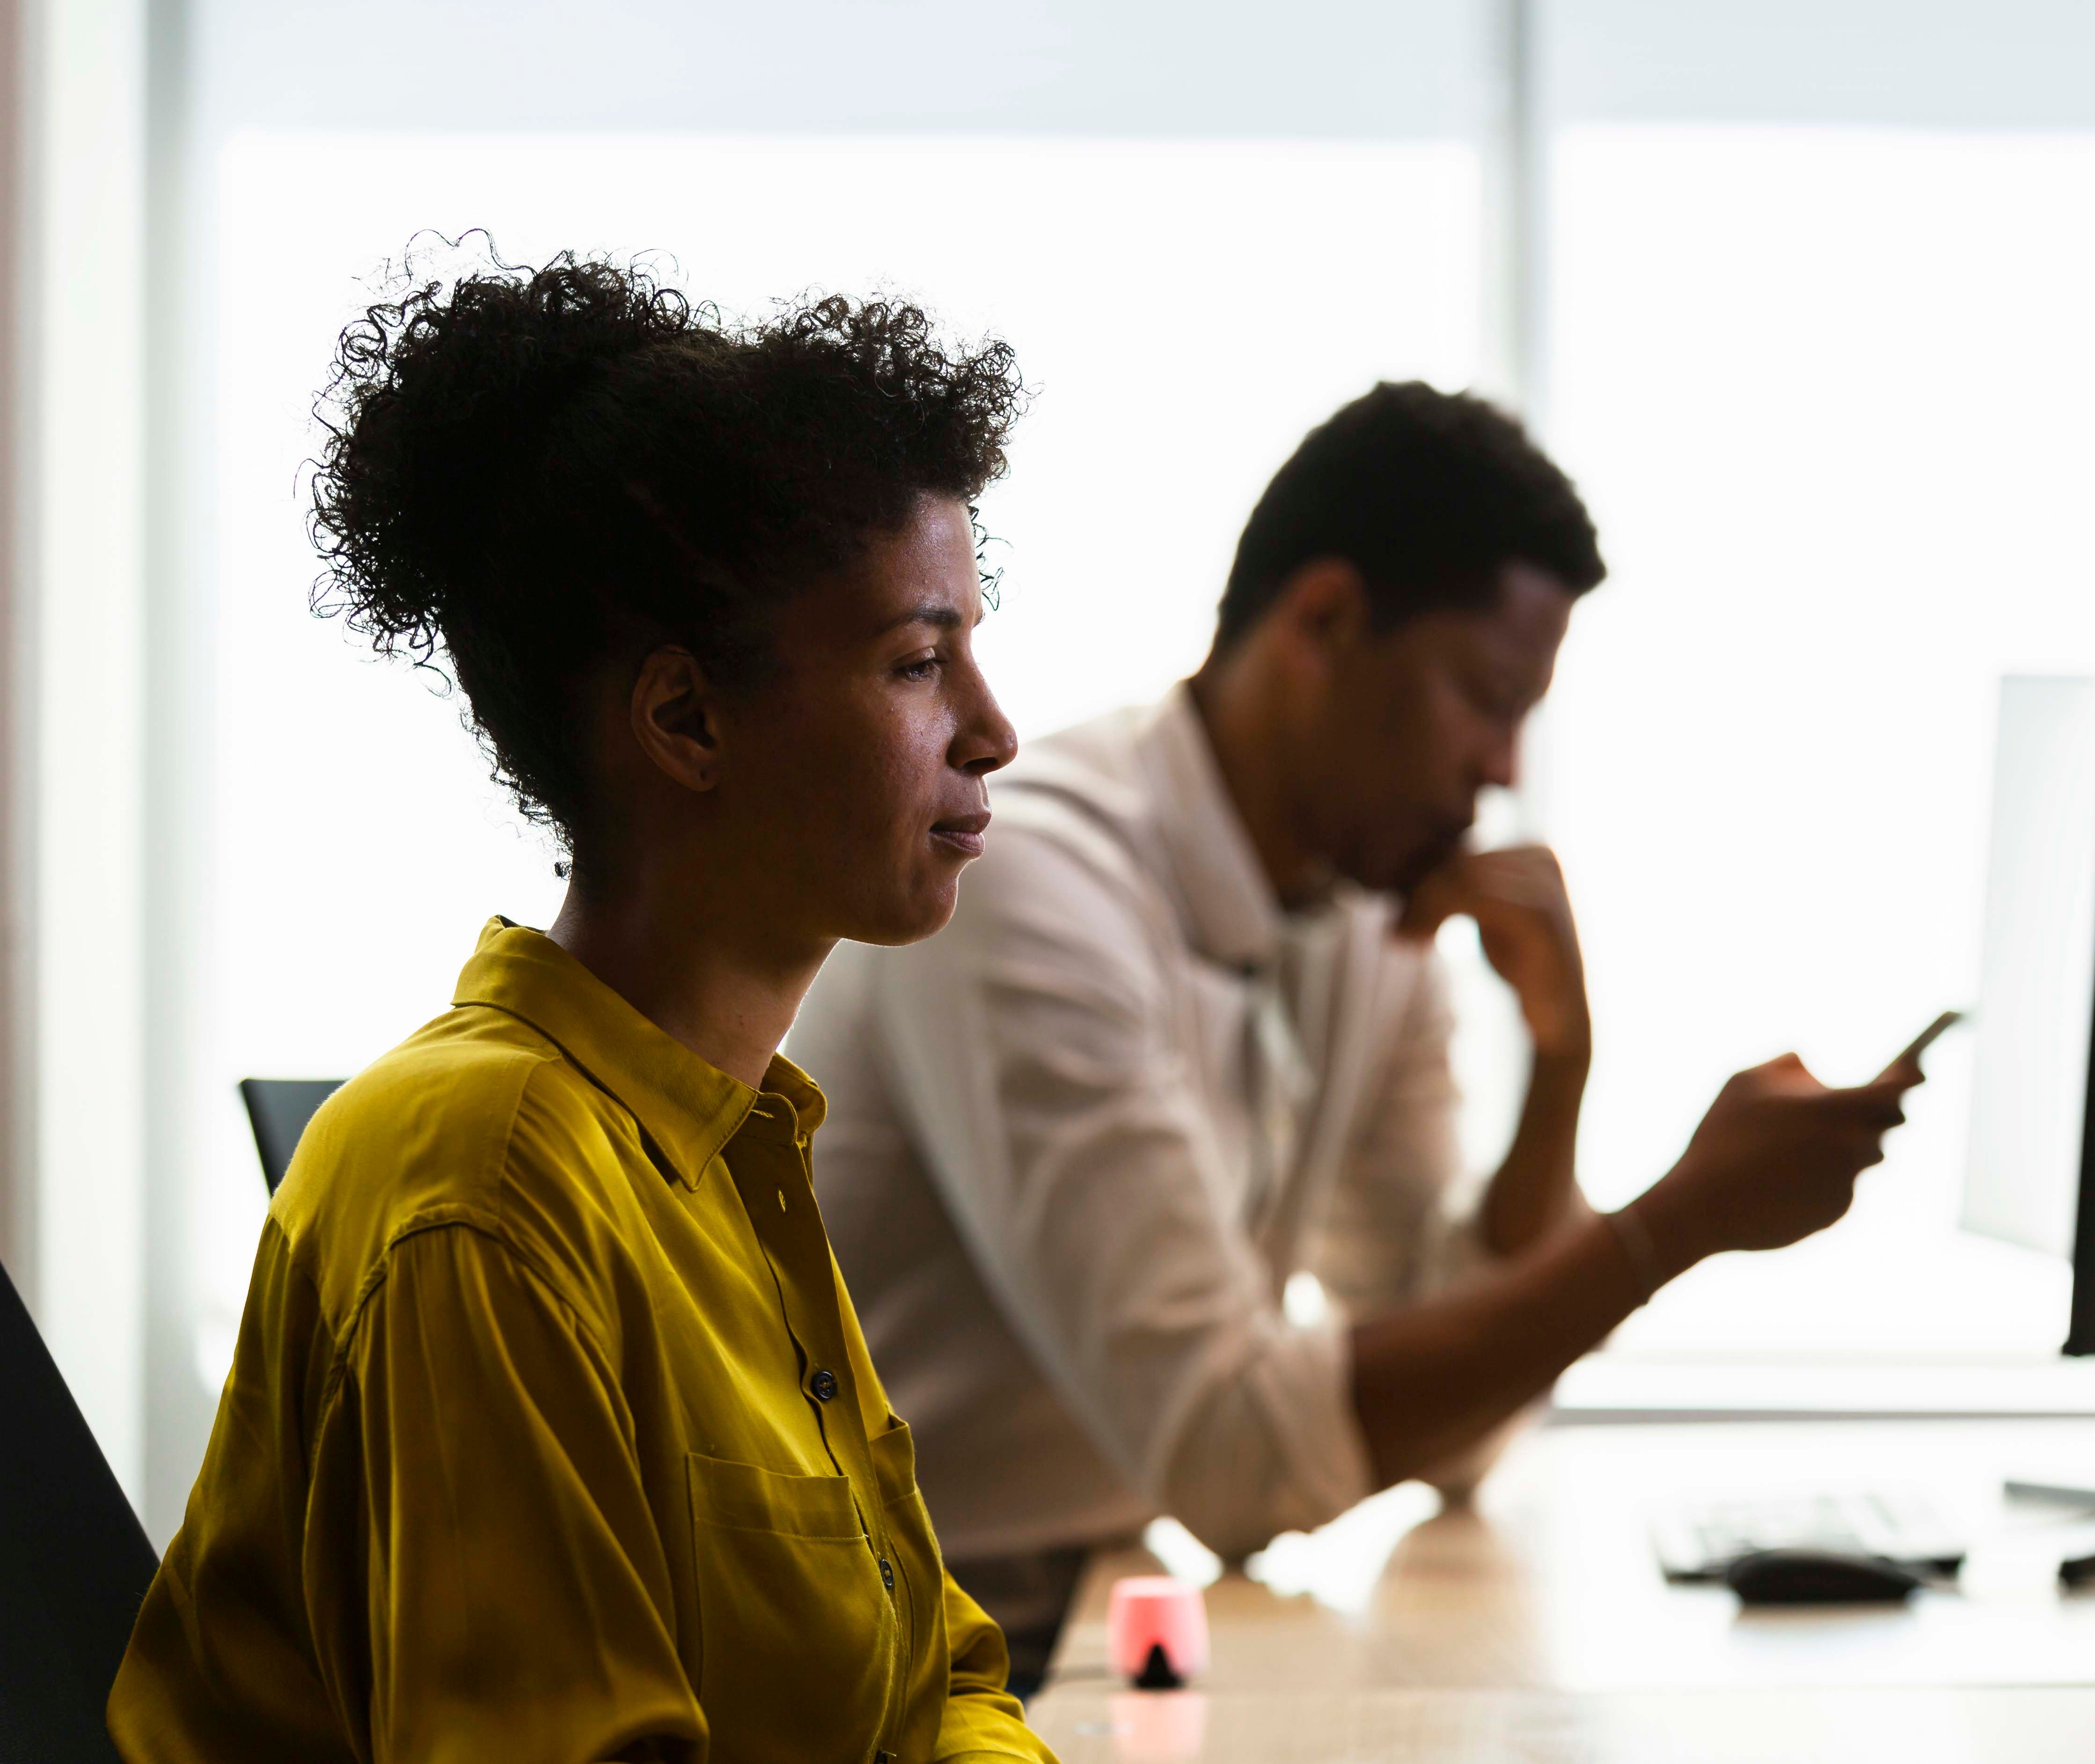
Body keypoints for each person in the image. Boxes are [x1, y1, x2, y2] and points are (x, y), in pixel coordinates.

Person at [788, 381, 1924, 1691]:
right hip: (890, 1646)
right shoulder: (1031, 885)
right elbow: (1231, 1461)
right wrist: (1674, 1225)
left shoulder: (1361, 910)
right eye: (1486, 696)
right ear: (1323, 623)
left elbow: (1457, 1434)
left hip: (1090, 1603)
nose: (1504, 767)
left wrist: (1560, 1067)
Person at [111, 252, 1057, 1764]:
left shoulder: (724, 1149)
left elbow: (936, 1684)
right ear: (685, 718)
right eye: (919, 662)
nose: (995, 730)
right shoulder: (487, 1187)